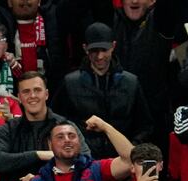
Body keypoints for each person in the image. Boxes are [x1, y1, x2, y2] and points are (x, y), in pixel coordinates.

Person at [51, 23, 152, 160]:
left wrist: (132, 148)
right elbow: (56, 121)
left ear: (113, 46)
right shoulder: (70, 83)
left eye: (104, 50)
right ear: (85, 48)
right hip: (83, 160)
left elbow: (145, 124)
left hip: (123, 159)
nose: (99, 56)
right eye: (94, 50)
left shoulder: (131, 82)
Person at [0, 71, 90, 181]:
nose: (32, 96)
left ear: (46, 94)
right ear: (19, 97)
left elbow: (86, 161)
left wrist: (41, 180)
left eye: (37, 90)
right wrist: (38, 155)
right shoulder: (8, 129)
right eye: (26, 92)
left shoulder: (66, 127)